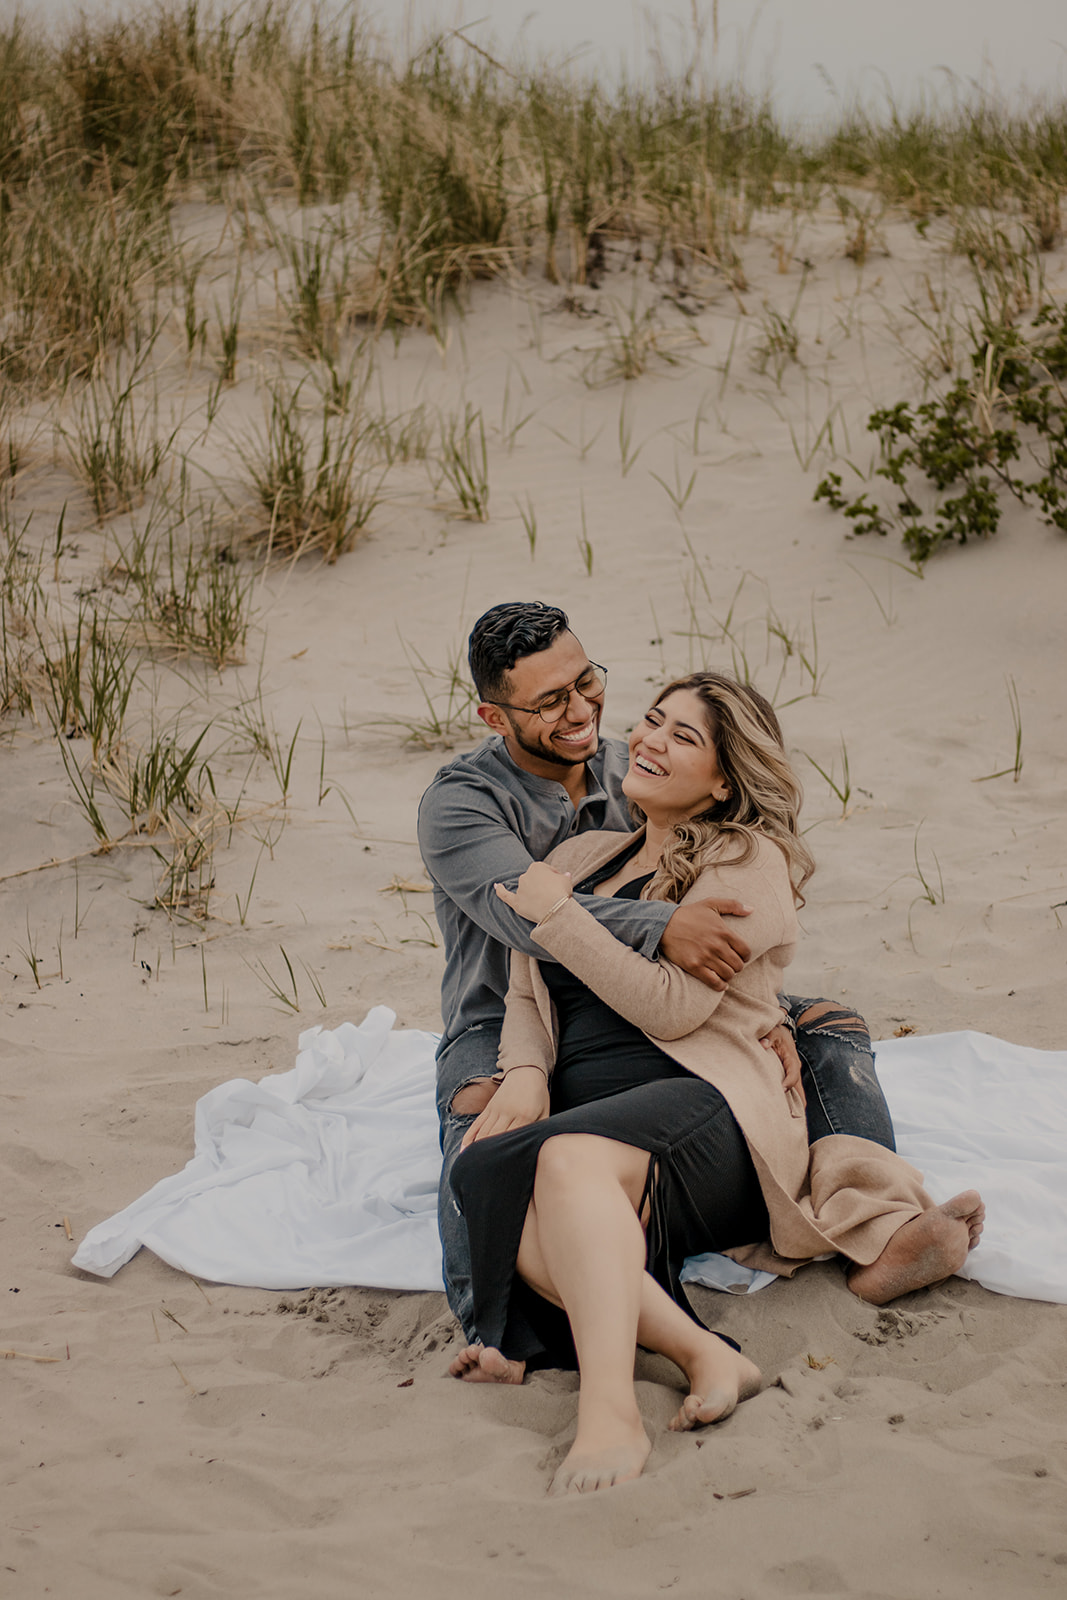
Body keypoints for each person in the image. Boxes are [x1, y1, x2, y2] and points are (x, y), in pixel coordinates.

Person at [447, 672, 985, 1496]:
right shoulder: (581, 856)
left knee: (562, 1167)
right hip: (599, 1115)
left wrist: (560, 917)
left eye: (684, 737)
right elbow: (526, 985)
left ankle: (608, 1414)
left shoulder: (746, 859)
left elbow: (670, 1010)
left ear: (726, 779)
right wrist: (524, 1074)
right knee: (491, 1170)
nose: (652, 741)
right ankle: (705, 1354)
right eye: (652, 722)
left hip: (706, 1101)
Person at [417, 602, 897, 1340]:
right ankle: (489, 1318)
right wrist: (663, 926)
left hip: (639, 1002)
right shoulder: (461, 802)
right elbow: (524, 918)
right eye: (549, 702)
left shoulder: (630, 765)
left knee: (825, 1027)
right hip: (505, 1010)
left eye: (586, 682)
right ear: (493, 714)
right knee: (482, 1127)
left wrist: (760, 1013)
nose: (581, 711)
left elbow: (720, 898)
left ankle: (874, 1220)